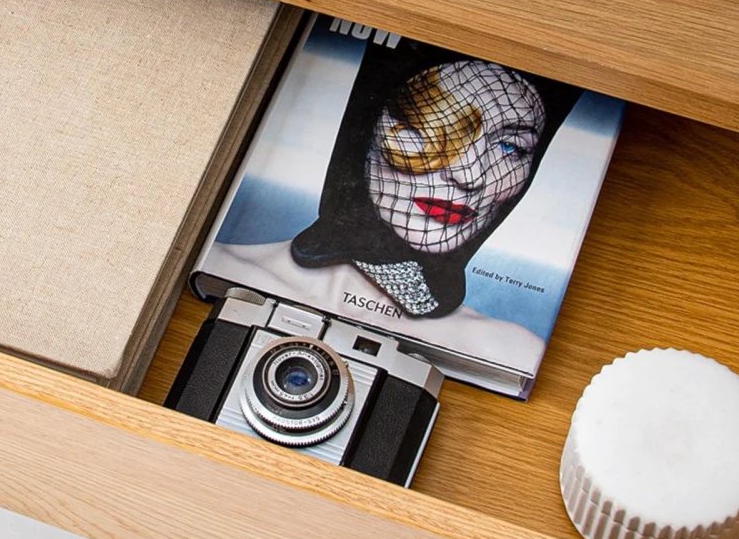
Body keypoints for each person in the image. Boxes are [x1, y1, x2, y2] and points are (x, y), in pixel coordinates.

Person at [207, 39, 578, 375]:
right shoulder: (222, 273)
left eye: (511, 147)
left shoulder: (509, 352)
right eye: (430, 126)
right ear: (364, 128)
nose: (470, 175)